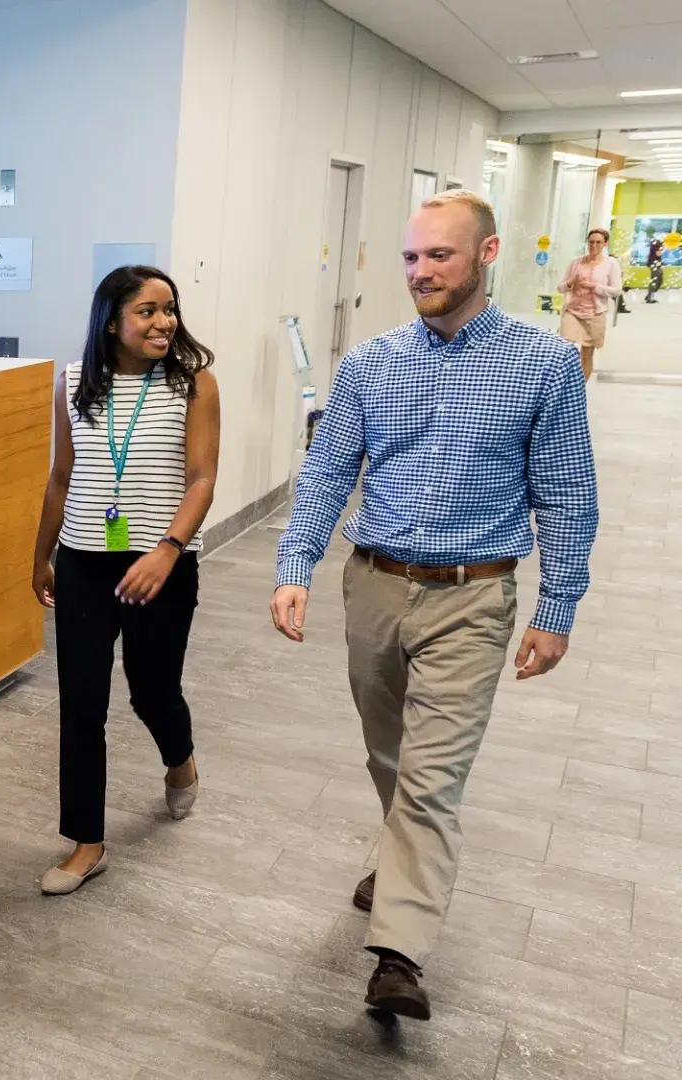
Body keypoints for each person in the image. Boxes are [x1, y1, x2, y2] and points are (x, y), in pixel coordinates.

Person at [270, 189, 597, 1021]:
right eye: (411, 257)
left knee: (430, 778)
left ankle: (398, 955)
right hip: (373, 585)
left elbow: (566, 496)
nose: (420, 272)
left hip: (473, 597)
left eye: (439, 256)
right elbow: (328, 471)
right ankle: (402, 854)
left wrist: (556, 608)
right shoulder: (371, 364)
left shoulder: (544, 364)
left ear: (486, 255)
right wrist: (294, 561)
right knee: (389, 757)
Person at [29, 265, 220, 896]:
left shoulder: (193, 384)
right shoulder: (73, 382)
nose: (164, 321)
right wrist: (41, 554)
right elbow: (62, 476)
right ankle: (87, 842)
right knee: (81, 703)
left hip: (161, 565)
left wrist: (168, 551)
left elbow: (201, 480)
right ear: (111, 320)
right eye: (148, 311)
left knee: (151, 692)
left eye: (170, 309)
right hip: (85, 560)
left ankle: (180, 757)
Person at [557, 228, 622, 380]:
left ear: (605, 244)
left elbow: (616, 290)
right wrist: (571, 282)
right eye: (591, 242)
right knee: (564, 349)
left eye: (598, 242)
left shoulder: (611, 263)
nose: (594, 245)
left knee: (587, 353)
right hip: (572, 311)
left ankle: (580, 390)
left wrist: (595, 287)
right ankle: (563, 384)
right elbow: (560, 287)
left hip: (594, 314)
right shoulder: (576, 262)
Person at [648, 237, 666, 304]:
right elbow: (658, 254)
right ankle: (650, 298)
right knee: (654, 281)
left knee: (660, 280)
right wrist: (662, 247)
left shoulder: (659, 244)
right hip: (654, 265)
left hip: (658, 264)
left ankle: (649, 296)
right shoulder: (655, 244)